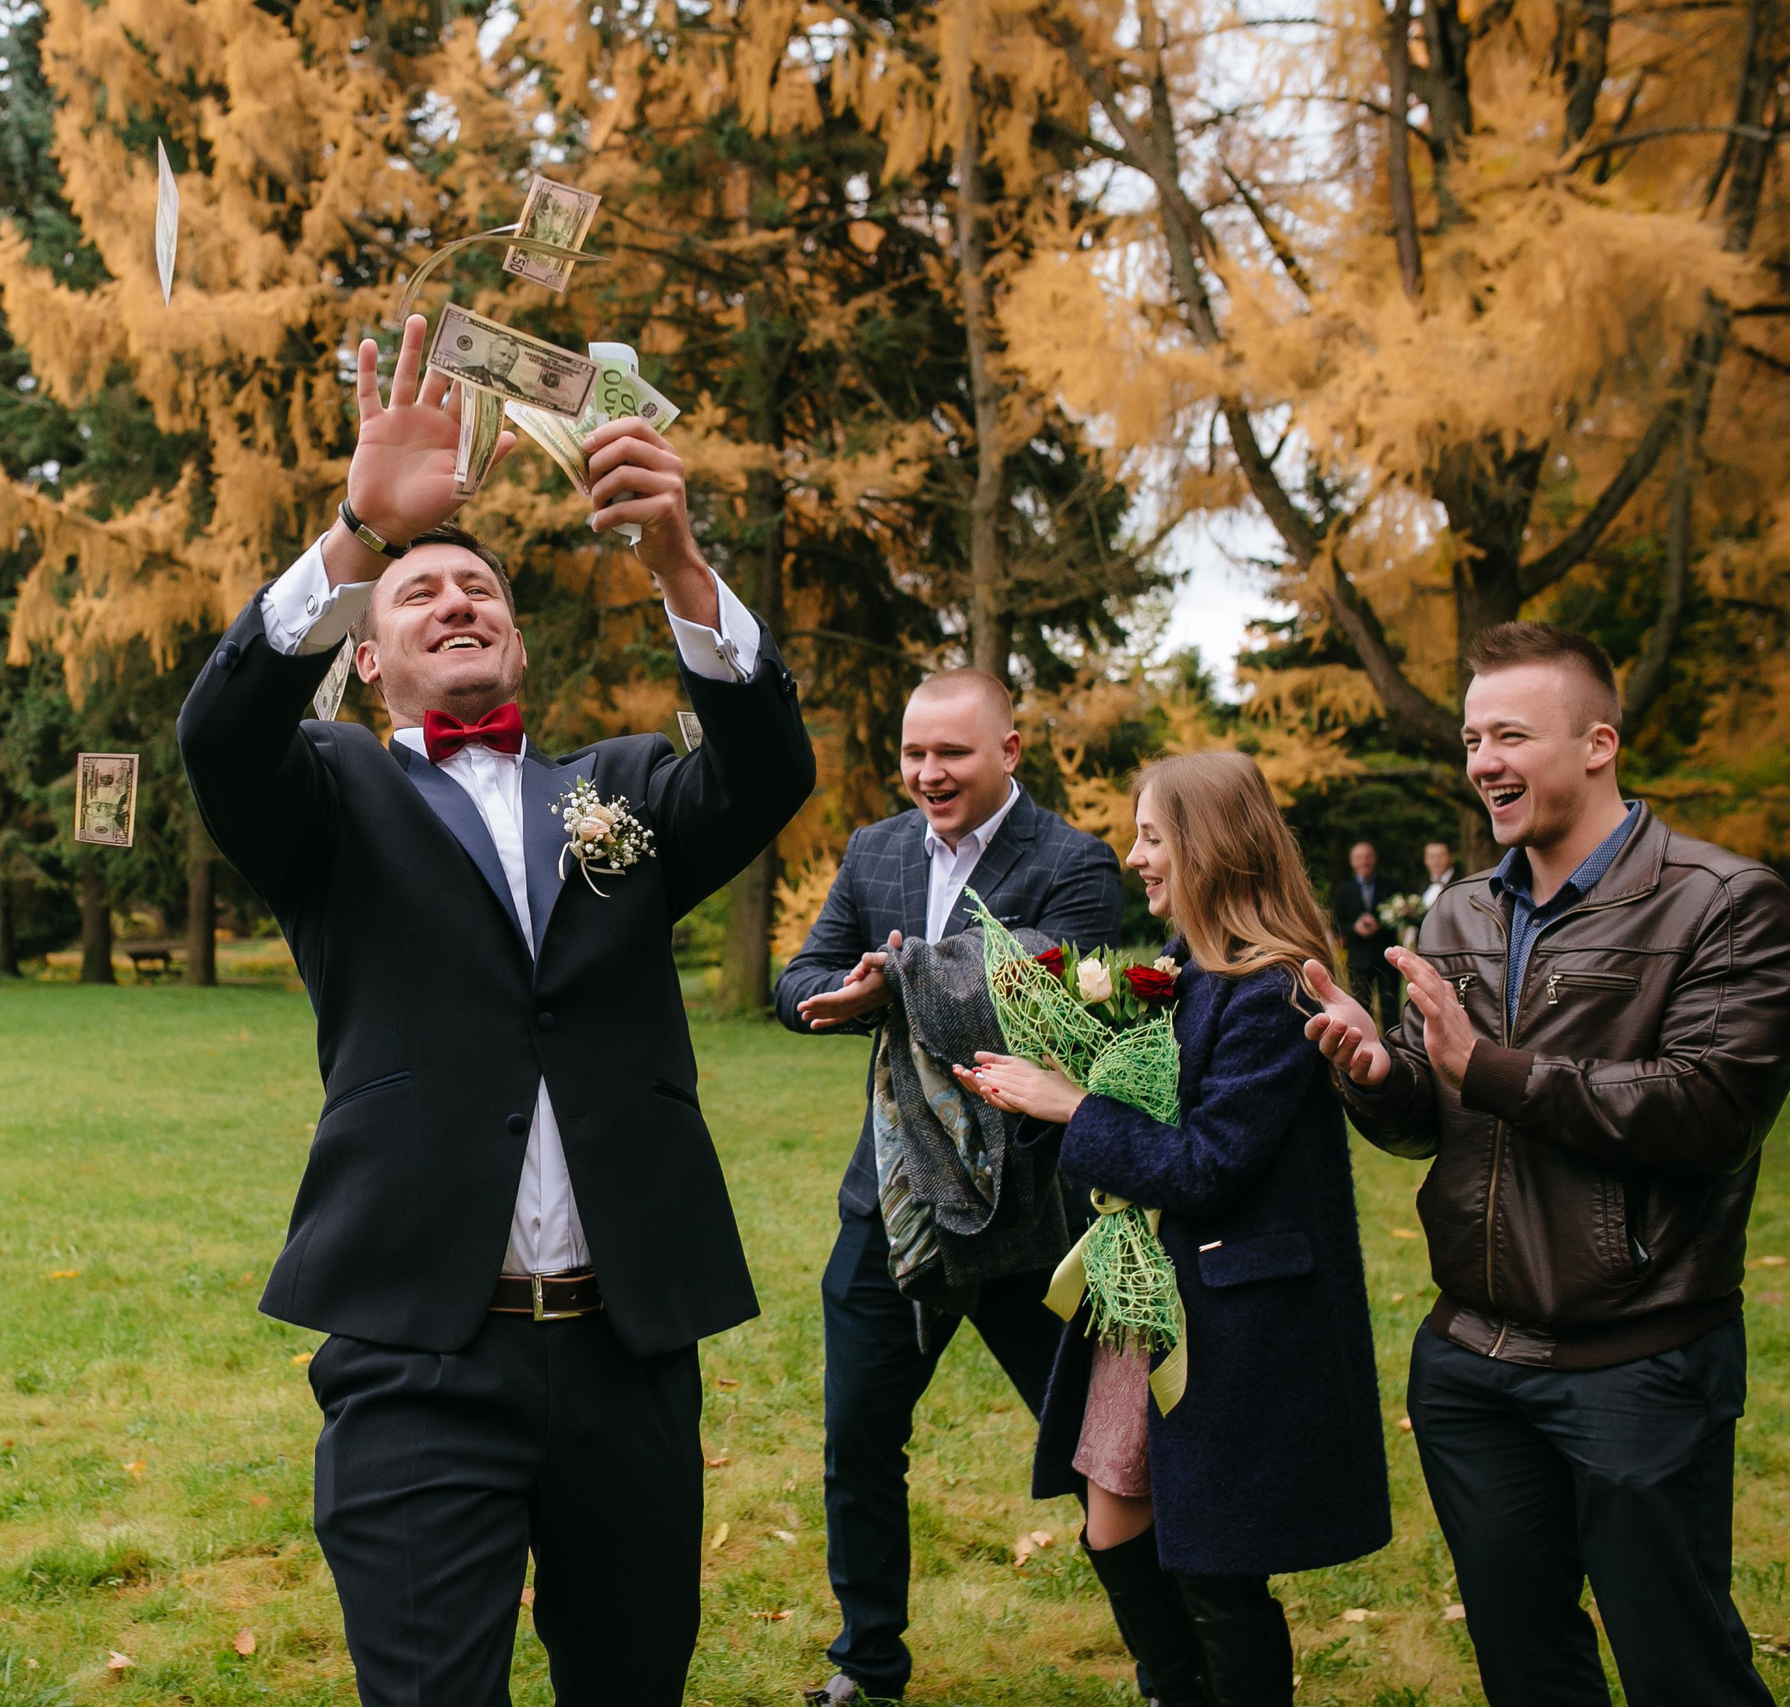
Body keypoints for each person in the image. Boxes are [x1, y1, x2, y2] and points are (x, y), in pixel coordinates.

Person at [176, 311, 813, 1705]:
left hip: (628, 1348)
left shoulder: (620, 789)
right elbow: (218, 735)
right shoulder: (327, 796)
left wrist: (678, 558)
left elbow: (768, 771)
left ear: (517, 643)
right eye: (422, 593)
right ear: (367, 657)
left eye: (481, 589)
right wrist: (361, 532)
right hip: (419, 1351)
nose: (458, 600)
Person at [1305, 622, 1790, 1707]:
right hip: (1471, 1365)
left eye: (1511, 735)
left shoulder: (1722, 901)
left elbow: (1712, 1110)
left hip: (1638, 1362)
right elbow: (1435, 1115)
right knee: (1526, 1671)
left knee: (1682, 1671)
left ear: (1597, 744)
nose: (1483, 760)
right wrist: (1378, 1071)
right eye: (1473, 738)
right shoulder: (1459, 909)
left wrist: (1489, 1068)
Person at [962, 749, 1389, 1707]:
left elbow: (1209, 1165)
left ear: (1212, 847)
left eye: (1153, 836)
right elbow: (1146, 1118)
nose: (1134, 856)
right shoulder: (1180, 971)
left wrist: (1075, 1105)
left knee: (1214, 1561)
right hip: (1148, 1298)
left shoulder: (1273, 989)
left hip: (1233, 1317)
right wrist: (1044, 1086)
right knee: (1112, 1520)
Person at [771, 672, 1123, 1705]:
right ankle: (866, 1665)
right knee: (858, 1437)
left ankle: (1171, 1663)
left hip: (1033, 1209)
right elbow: (798, 976)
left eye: (952, 754)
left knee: (1100, 1446)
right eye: (914, 754)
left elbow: (1041, 990)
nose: (928, 773)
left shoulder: (1074, 862)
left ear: (1009, 751)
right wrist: (839, 995)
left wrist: (903, 981)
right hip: (892, 1204)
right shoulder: (875, 850)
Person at [1329, 841, 1398, 1022]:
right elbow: (1336, 925)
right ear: (1352, 862)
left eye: (1368, 857)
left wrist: (1380, 925)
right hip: (1358, 958)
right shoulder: (1343, 891)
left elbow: (1399, 920)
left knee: (1390, 1007)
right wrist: (1354, 927)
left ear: (1374, 859)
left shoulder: (1390, 886)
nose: (1364, 862)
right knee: (1361, 1008)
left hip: (1386, 956)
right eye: (1359, 858)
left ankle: (1393, 1039)